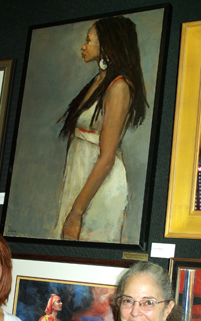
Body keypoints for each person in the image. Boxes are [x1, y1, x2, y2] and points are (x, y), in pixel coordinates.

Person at [55, 16, 148, 243]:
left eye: (89, 40)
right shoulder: (99, 81)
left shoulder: (119, 87)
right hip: (80, 175)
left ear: (106, 45)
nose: (83, 46)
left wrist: (77, 213)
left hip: (100, 184)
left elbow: (106, 158)